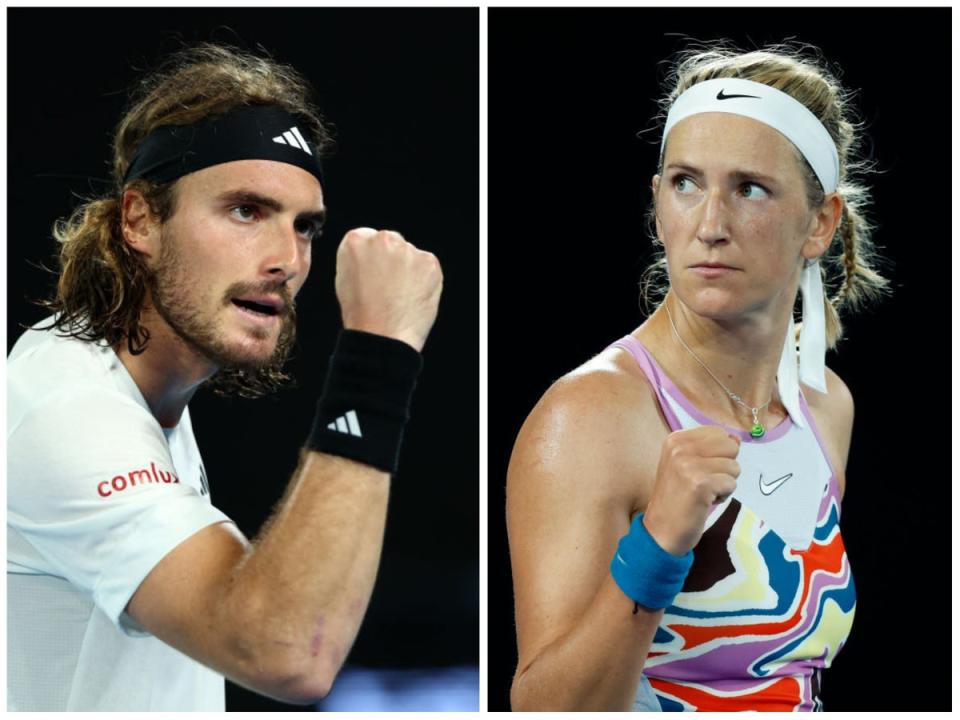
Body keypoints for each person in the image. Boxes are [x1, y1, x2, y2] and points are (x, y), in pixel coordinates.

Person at [7, 43, 442, 711]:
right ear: (140, 220)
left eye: (305, 228)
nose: (287, 261)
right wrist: (379, 354)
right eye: (246, 210)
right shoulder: (67, 410)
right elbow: (290, 650)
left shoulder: (143, 394)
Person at [506, 41, 889, 712]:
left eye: (749, 188)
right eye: (686, 183)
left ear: (820, 223)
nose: (710, 225)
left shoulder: (826, 406)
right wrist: (657, 545)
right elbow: (544, 708)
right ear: (657, 204)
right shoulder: (589, 416)